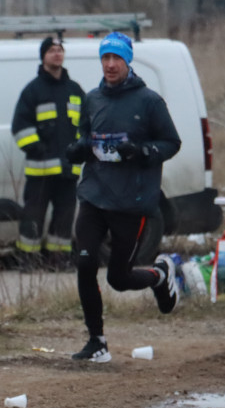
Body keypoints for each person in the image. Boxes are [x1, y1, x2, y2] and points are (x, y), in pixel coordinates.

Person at [65, 31, 182, 363]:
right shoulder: (92, 99)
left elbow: (171, 143)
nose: (110, 64)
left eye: (117, 58)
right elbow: (83, 139)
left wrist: (141, 150)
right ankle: (96, 342)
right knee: (85, 263)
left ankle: (160, 275)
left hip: (132, 202)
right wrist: (78, 149)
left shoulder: (149, 101)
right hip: (93, 195)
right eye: (105, 58)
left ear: (128, 62)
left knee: (118, 278)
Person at [10, 36, 85, 269]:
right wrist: (37, 148)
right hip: (40, 169)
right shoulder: (33, 91)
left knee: (65, 217)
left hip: (68, 169)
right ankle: (28, 260)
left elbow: (86, 125)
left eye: (60, 49)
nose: (57, 54)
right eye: (52, 50)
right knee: (33, 216)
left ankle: (59, 260)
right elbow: (20, 127)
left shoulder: (75, 90)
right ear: (43, 56)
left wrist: (80, 149)